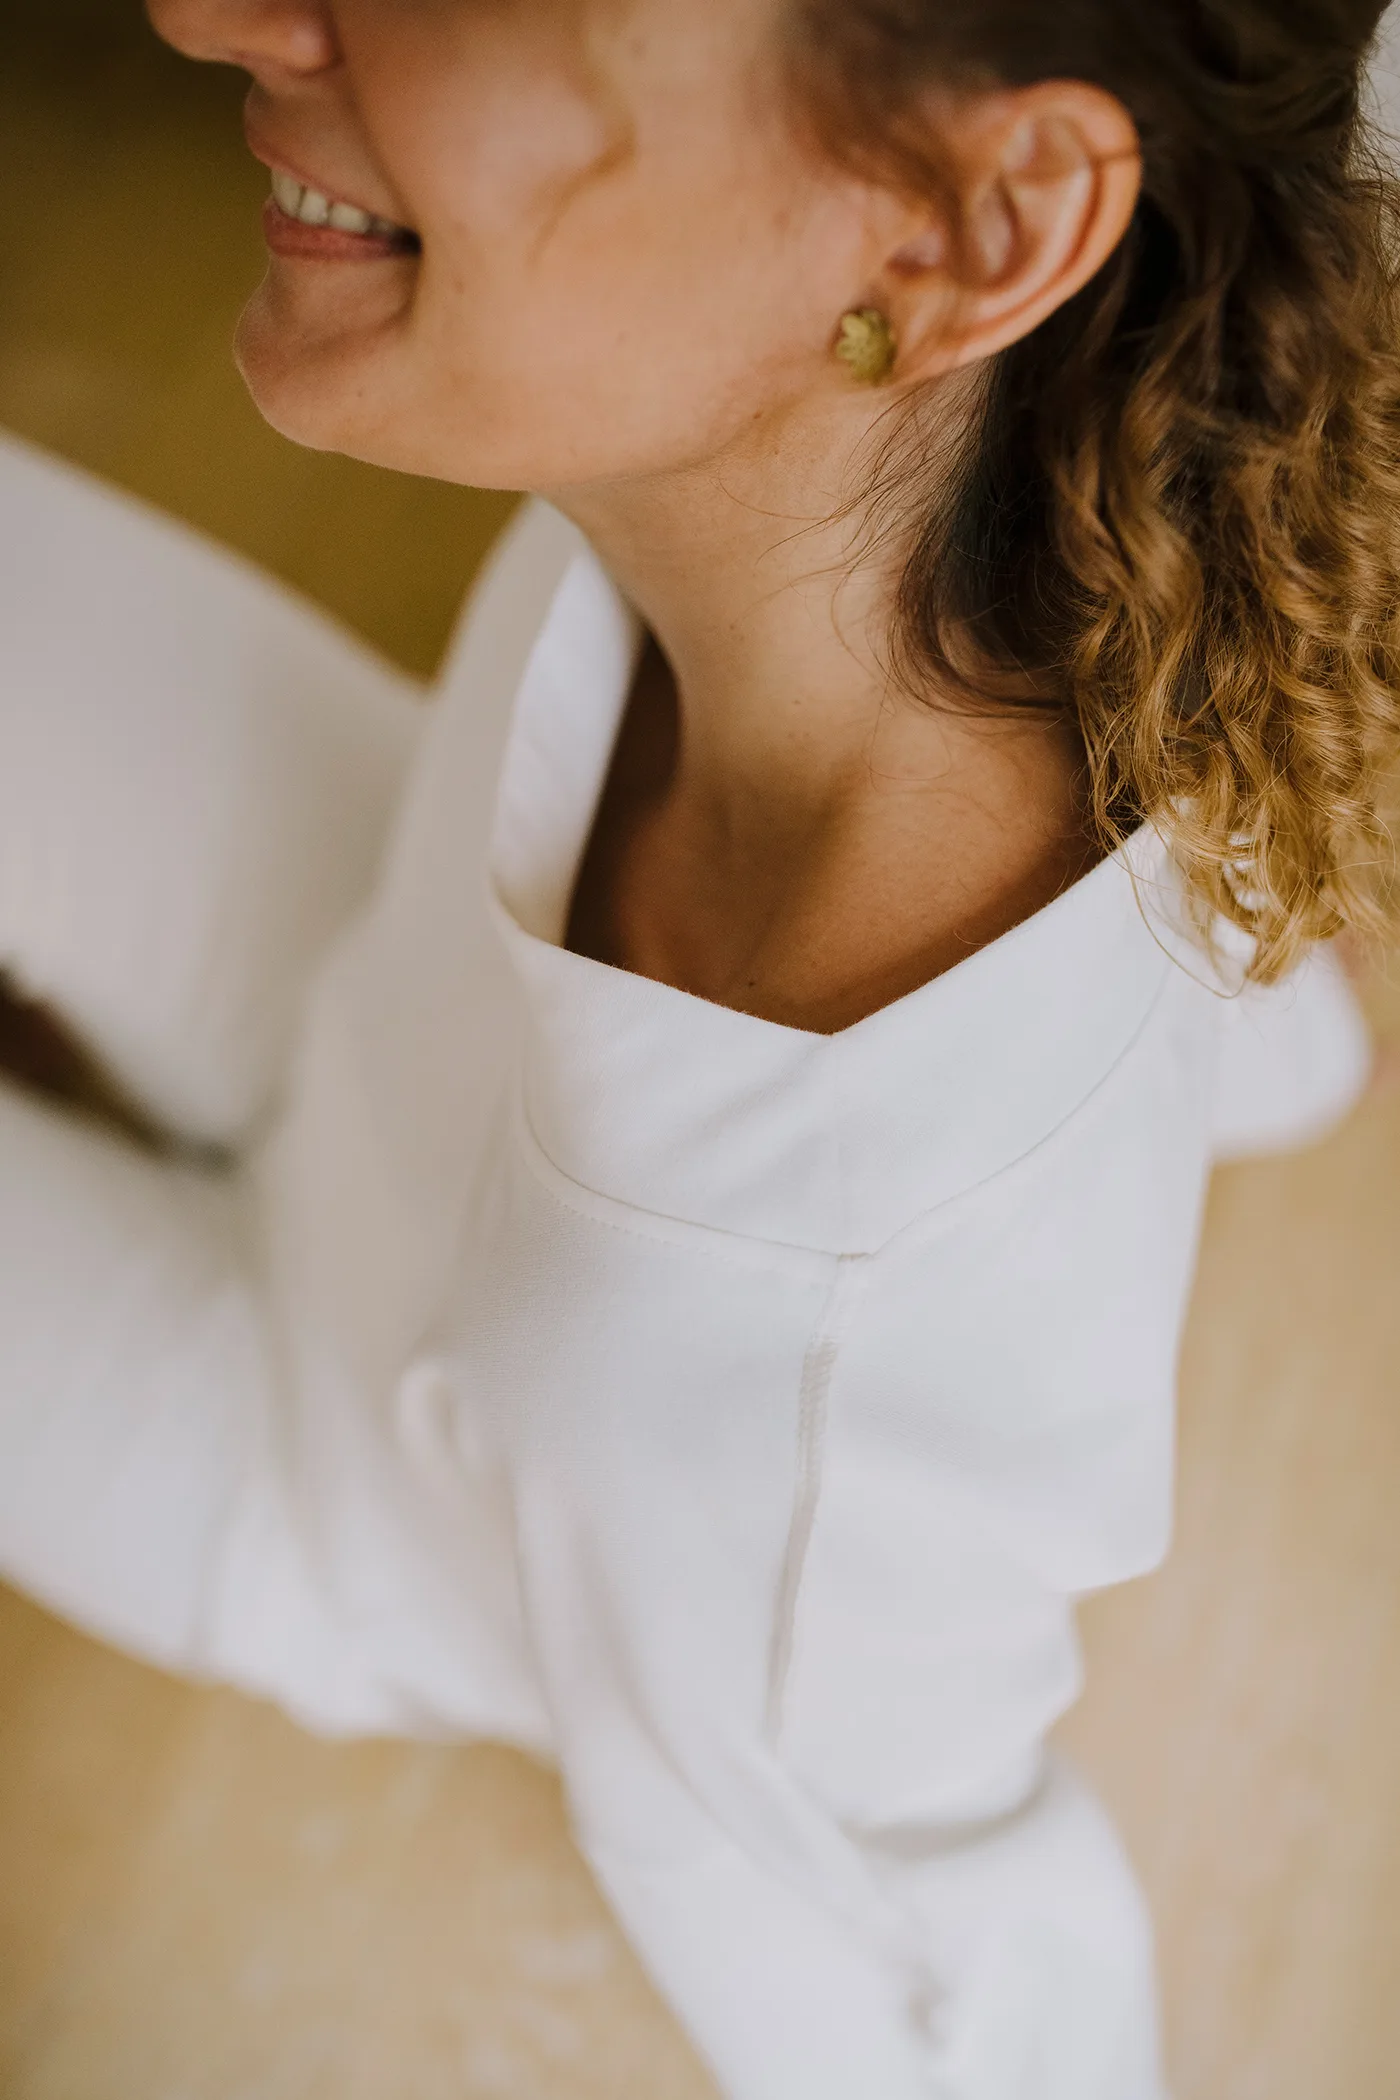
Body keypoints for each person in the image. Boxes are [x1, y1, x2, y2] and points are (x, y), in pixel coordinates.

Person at [2, 2, 1397, 2093]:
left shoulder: (780, 1391)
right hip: (397, 946)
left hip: (338, 1475)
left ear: (963, 233)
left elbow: (914, 1933)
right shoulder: (919, 478)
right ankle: (1261, 1054)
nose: (215, 12)